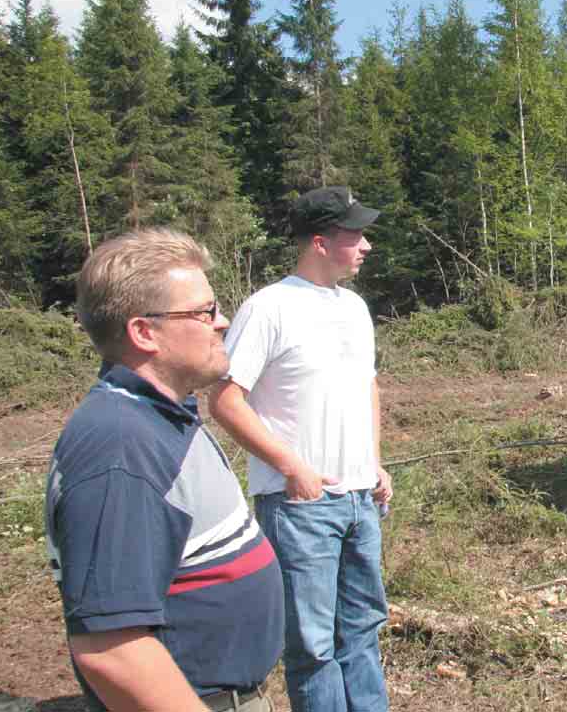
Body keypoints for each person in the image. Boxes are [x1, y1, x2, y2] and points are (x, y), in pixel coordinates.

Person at [45, 228, 284, 712]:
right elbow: (112, 649)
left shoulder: (161, 418)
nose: (224, 321)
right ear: (144, 332)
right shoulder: (120, 448)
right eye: (204, 312)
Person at [210, 186, 392, 712]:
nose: (366, 246)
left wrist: (373, 462)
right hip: (301, 507)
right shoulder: (268, 308)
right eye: (354, 235)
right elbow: (225, 400)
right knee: (312, 646)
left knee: (361, 632)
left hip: (362, 499)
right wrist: (293, 468)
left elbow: (368, 386)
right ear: (319, 241)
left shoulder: (355, 308)